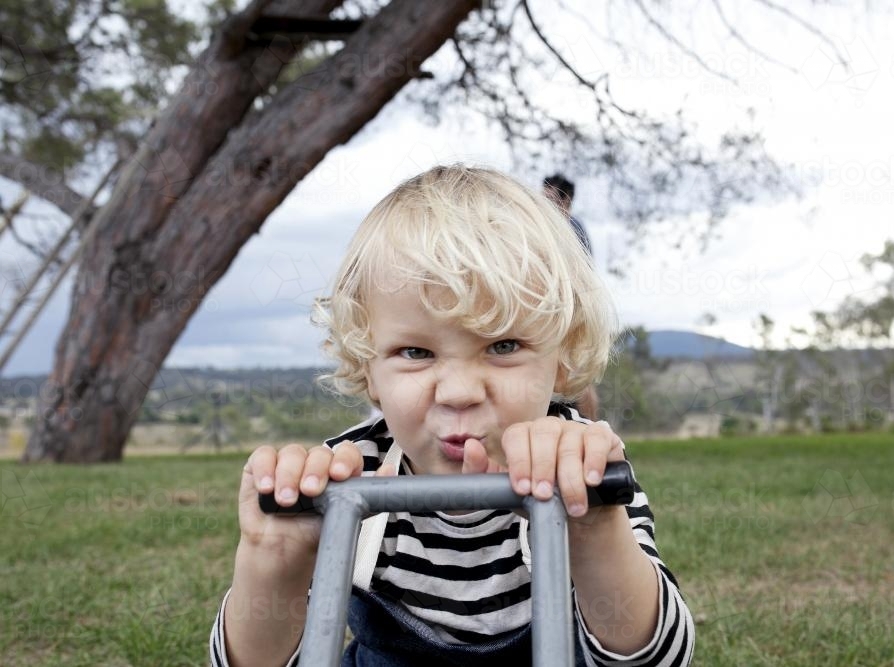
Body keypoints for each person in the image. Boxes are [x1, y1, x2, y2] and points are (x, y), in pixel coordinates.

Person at [210, 165, 694, 667]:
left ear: (562, 355)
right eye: (416, 352)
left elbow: (656, 659)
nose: (460, 392)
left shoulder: (585, 462)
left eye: (503, 345)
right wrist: (271, 565)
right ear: (367, 368)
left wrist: (595, 529)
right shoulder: (347, 475)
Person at [543, 172, 600, 421]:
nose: (544, 203)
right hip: (546, 312)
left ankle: (592, 430)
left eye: (550, 199)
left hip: (567, 313)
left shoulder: (573, 231)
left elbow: (582, 281)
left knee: (575, 378)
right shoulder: (542, 227)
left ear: (566, 202)